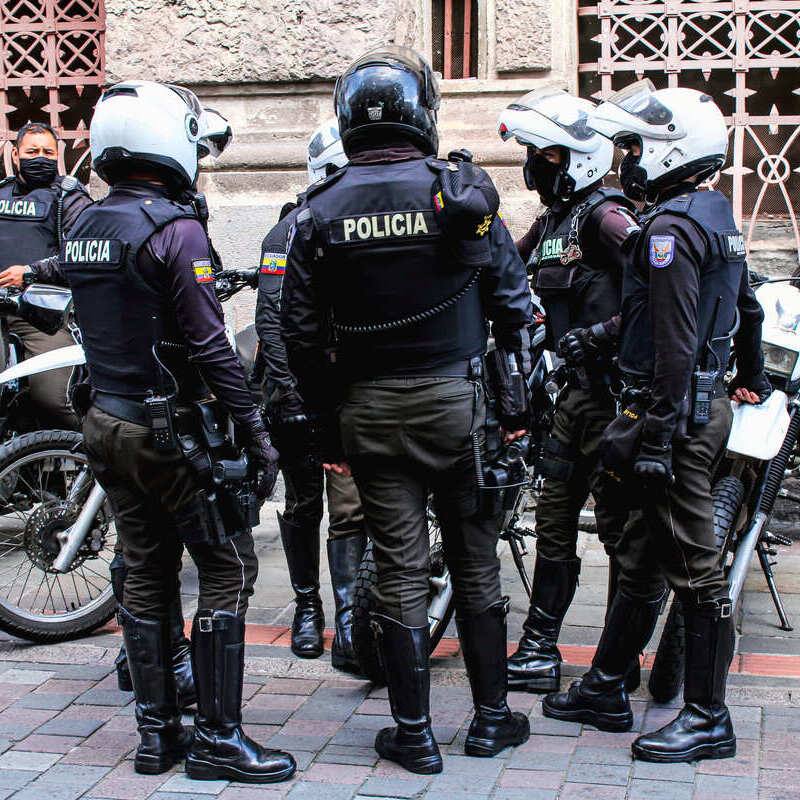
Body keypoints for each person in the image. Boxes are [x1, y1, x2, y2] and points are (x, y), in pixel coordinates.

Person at [282, 46, 534, 774]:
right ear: (422, 110)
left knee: (397, 571)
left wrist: (328, 424)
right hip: (460, 410)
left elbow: (298, 335)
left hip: (370, 415)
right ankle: (491, 721)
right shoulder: (460, 189)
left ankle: (414, 734)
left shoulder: (318, 210)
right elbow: (514, 307)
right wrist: (515, 406)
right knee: (475, 562)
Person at [60, 80, 295, 783]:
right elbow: (210, 345)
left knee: (145, 572)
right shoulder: (174, 229)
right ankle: (219, 738)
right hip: (169, 435)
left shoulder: (86, 222)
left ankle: (157, 738)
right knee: (226, 567)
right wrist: (257, 429)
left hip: (106, 423)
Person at [542, 80, 769, 764]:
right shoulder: (714, 215)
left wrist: (658, 438)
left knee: (695, 569)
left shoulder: (668, 230)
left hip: (669, 411)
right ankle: (607, 684)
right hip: (693, 403)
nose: (627, 160)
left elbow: (672, 339)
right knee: (639, 554)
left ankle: (707, 718)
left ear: (673, 149)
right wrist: (750, 376)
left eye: (635, 147)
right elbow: (742, 308)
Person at [497, 89, 642, 694]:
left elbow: (662, 292)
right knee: (553, 523)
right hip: (567, 400)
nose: (533, 165)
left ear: (574, 158)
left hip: (612, 404)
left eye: (543, 154)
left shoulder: (607, 218)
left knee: (616, 532)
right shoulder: (556, 220)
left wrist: (604, 334)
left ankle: (618, 661)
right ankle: (538, 648)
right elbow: (506, 261)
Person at [256, 118, 366, 672]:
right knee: (303, 503)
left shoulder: (359, 227)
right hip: (295, 393)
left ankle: (349, 616)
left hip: (346, 392)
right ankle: (307, 607)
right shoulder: (287, 233)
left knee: (348, 507)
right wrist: (288, 396)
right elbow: (270, 321)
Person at [0, 121, 93, 428]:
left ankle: (99, 458)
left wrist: (30, 273)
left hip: (42, 314)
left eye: (47, 152)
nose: (40, 157)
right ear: (16, 155)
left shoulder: (69, 197)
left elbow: (83, 256)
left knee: (53, 397)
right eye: (32, 151)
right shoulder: (1, 194)